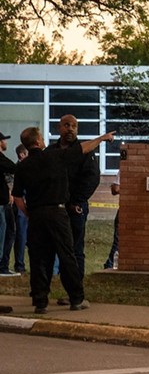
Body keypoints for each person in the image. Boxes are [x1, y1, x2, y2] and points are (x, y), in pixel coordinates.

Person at [12, 127, 115, 314]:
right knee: (67, 255)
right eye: (41, 138)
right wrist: (101, 138)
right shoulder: (55, 156)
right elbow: (83, 148)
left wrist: (28, 213)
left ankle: (40, 301)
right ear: (38, 142)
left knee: (38, 259)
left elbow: (18, 197)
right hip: (57, 213)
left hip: (36, 216)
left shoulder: (22, 166)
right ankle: (76, 298)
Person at [48, 114, 101, 282]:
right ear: (59, 128)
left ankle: (76, 290)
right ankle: (45, 288)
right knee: (51, 247)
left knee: (75, 248)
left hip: (75, 208)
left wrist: (76, 201)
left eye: (74, 126)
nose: (70, 128)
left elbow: (92, 178)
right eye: (66, 125)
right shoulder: (50, 152)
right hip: (54, 208)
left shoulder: (85, 151)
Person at [0, 131, 17, 277]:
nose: (6, 143)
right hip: (0, 203)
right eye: (4, 140)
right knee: (2, 233)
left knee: (10, 231)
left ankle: (4, 265)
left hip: (5, 202)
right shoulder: (0, 159)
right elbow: (13, 167)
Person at [10, 144, 28, 274]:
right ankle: (19, 265)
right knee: (21, 236)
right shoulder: (17, 170)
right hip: (21, 206)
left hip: (29, 205)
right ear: (22, 155)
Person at [103, 171, 120, 269]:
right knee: (119, 241)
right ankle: (110, 264)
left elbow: (116, 188)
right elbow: (115, 189)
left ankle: (110, 263)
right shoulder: (125, 170)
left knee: (119, 240)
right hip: (124, 210)